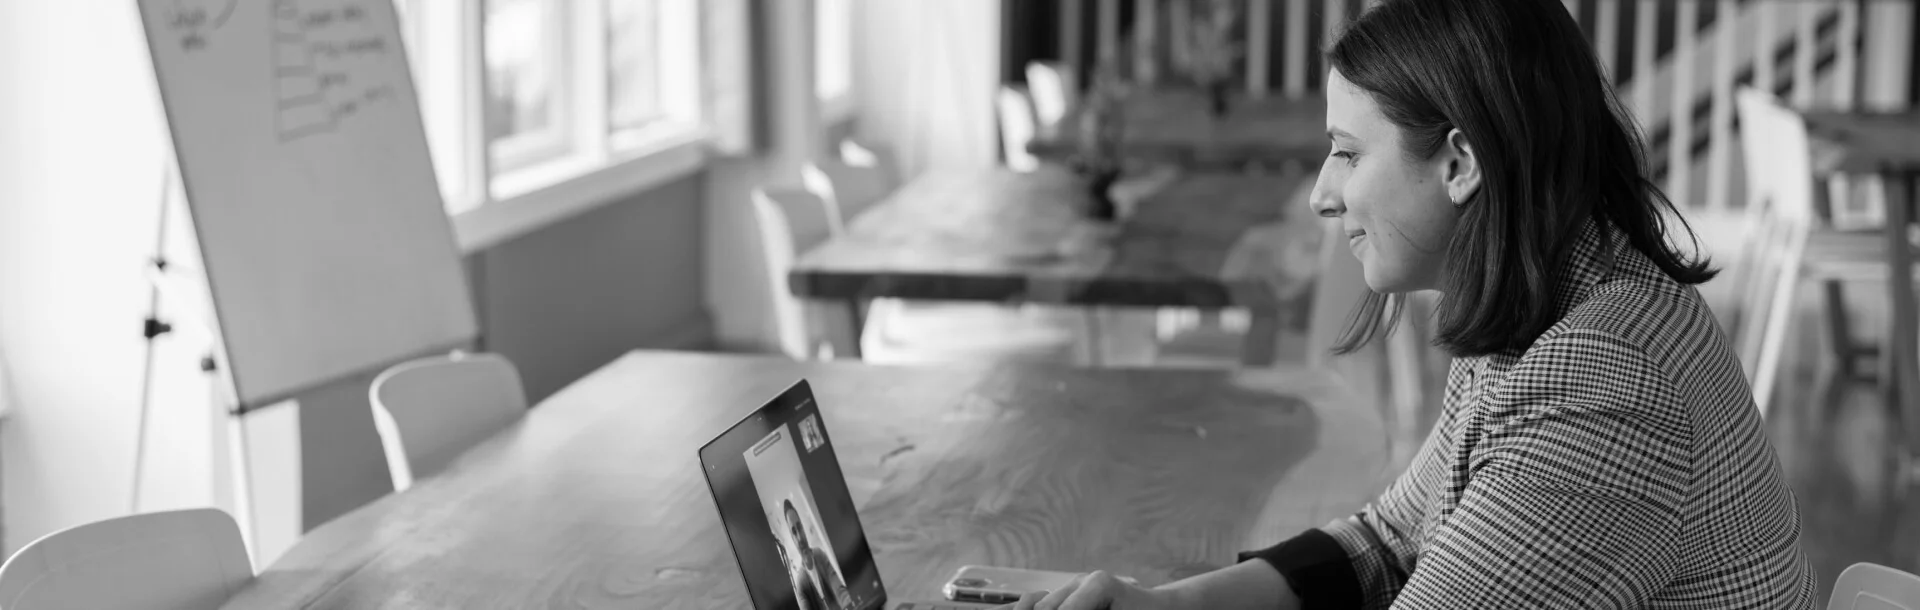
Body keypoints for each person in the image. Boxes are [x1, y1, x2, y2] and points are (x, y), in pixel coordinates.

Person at [1005, 0, 1817, 608]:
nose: (1324, 195)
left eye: (1348, 154)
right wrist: (1162, 607)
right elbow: (1390, 540)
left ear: (1461, 163)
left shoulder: (1603, 377)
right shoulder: (1548, 296)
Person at [785, 499, 852, 610]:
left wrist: (849, 603)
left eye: (799, 527)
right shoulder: (801, 584)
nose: (800, 538)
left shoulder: (819, 554)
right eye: (794, 532)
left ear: (803, 527)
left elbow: (837, 585)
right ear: (792, 539)